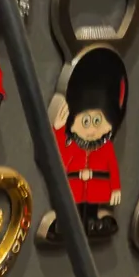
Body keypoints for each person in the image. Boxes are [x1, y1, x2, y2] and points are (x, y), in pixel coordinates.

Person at [39, 45, 127, 244]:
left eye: (98, 121)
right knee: (75, 207)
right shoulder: (73, 144)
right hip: (75, 187)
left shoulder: (105, 147)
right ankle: (69, 224)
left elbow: (112, 166)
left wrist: (115, 189)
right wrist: (59, 129)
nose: (92, 130)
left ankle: (93, 222)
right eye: (85, 122)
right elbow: (59, 153)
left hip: (96, 187)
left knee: (91, 208)